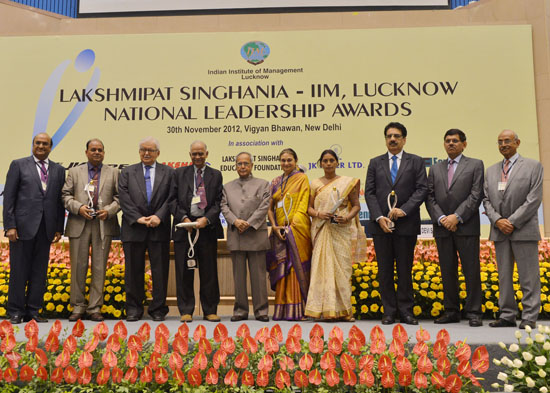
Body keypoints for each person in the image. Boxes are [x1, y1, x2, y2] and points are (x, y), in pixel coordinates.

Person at [365, 122, 428, 325]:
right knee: (384, 271)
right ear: (385, 139)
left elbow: (421, 189)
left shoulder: (416, 162)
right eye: (389, 136)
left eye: (397, 136)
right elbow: (370, 192)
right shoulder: (375, 162)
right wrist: (378, 217)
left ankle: (406, 311)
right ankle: (389, 312)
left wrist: (405, 209)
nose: (392, 139)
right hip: (381, 225)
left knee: (404, 269)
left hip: (406, 224)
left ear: (404, 139)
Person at [483, 129, 543, 330]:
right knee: (504, 276)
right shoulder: (491, 170)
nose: (503, 145)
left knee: (528, 275)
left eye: (507, 141)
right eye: (500, 141)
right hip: (499, 231)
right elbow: (486, 200)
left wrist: (512, 221)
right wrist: (498, 220)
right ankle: (507, 315)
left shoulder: (533, 166)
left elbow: (534, 199)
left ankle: (529, 315)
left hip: (524, 230)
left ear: (517, 142)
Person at [3, 133, 65, 324]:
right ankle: (15, 310)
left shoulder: (59, 170)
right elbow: (9, 199)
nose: (41, 146)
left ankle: (33, 311)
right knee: (19, 270)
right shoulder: (18, 165)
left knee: (39, 272)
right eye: (38, 143)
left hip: (46, 228)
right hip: (21, 228)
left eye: (45, 144)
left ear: (50, 147)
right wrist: (10, 226)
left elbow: (59, 202)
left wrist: (58, 228)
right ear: (32, 145)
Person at [426, 129, 484, 327]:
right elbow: (430, 197)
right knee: (447, 270)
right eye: (448, 141)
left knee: (471, 270)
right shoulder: (434, 168)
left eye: (455, 141)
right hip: (443, 227)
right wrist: (442, 218)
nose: (451, 144)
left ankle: (474, 312)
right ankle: (451, 311)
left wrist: (456, 217)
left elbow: (476, 195)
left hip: (466, 226)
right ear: (444, 144)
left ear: (464, 144)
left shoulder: (475, 165)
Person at [62, 139, 120, 322]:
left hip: (103, 224)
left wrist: (109, 211)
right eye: (93, 149)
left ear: (104, 153)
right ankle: (78, 306)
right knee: (78, 267)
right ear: (86, 152)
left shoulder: (114, 172)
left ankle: (94, 307)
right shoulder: (74, 172)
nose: (97, 152)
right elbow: (65, 195)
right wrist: (78, 207)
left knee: (99, 267)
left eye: (100, 150)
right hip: (79, 222)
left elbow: (121, 197)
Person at [304, 149, 366, 321]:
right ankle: (323, 310)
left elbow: (356, 206)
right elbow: (308, 208)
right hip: (322, 228)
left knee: (342, 270)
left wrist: (346, 217)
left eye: (332, 160)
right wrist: (318, 214)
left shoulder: (347, 183)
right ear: (320, 163)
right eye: (325, 160)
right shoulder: (314, 184)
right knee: (321, 270)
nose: (329, 163)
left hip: (341, 230)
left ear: (337, 163)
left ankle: (345, 311)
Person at [118, 137, 174, 322]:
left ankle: (158, 309)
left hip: (159, 227)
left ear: (158, 153)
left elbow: (172, 198)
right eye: (143, 149)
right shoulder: (127, 172)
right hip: (134, 227)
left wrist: (159, 216)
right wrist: (138, 218)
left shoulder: (169, 172)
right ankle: (134, 308)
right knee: (133, 271)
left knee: (160, 271)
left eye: (150, 150)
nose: (146, 153)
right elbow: (124, 197)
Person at [171, 140, 223, 322]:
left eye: (201, 153)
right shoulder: (178, 173)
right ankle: (186, 310)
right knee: (184, 271)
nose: (198, 156)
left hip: (206, 229)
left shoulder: (216, 175)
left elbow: (218, 202)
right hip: (184, 230)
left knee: (209, 272)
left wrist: (205, 219)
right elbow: (172, 201)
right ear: (190, 155)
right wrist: (184, 219)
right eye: (194, 153)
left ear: (207, 154)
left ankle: (210, 310)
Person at [220, 152, 270, 323]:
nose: (242, 167)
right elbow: (224, 207)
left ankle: (261, 310)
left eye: (246, 164)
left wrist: (248, 223)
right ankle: (240, 310)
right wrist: (235, 221)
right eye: (239, 164)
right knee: (239, 277)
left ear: (252, 165)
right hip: (237, 235)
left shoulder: (263, 184)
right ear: (235, 166)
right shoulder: (227, 187)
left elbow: (264, 207)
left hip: (255, 234)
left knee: (259, 277)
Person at [267, 148, 312, 321]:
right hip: (279, 232)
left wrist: (293, 227)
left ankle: (298, 310)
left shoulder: (302, 178)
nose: (286, 163)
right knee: (281, 267)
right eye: (283, 160)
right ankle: (282, 310)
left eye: (289, 160)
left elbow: (302, 204)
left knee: (294, 268)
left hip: (296, 231)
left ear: (295, 160)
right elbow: (270, 209)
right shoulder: (276, 181)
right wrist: (275, 226)